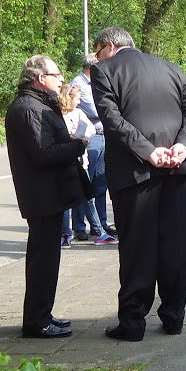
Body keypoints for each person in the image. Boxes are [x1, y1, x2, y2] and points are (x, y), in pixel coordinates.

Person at [91, 27, 186, 341]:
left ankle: (133, 322)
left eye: (97, 51)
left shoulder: (104, 70)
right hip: (179, 169)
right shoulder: (171, 67)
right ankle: (174, 317)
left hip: (135, 171)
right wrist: (182, 146)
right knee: (177, 247)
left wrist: (149, 152)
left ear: (109, 47)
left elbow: (111, 119)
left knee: (137, 248)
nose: (96, 57)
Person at [5, 55, 92, 338]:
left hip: (48, 193)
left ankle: (42, 314)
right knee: (43, 259)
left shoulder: (37, 104)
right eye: (57, 75)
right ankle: (36, 321)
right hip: (42, 196)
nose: (62, 80)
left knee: (47, 258)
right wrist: (77, 145)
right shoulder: (29, 108)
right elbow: (42, 153)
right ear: (41, 78)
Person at [58, 84, 119, 247]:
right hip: (65, 161)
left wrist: (80, 135)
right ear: (68, 99)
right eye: (76, 99)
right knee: (66, 199)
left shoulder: (78, 113)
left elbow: (91, 129)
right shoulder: (57, 115)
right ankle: (66, 233)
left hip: (80, 161)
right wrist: (70, 137)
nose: (78, 102)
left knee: (87, 196)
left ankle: (98, 231)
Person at [70, 53, 117, 240]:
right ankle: (79, 227)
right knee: (84, 184)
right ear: (92, 67)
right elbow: (97, 109)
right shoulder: (79, 84)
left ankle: (100, 224)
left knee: (100, 183)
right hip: (91, 138)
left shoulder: (96, 83)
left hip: (104, 136)